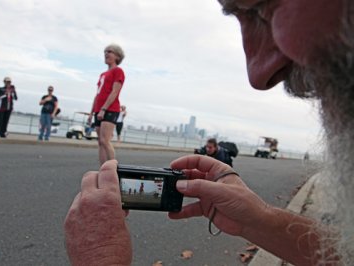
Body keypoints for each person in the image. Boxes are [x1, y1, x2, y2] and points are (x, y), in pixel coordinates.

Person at [65, 1, 354, 265]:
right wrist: (258, 220)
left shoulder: (117, 74)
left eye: (260, 8)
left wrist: (102, 259)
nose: (255, 75)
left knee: (105, 142)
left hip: (108, 111)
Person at [88, 44, 126, 165]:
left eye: (110, 51)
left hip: (110, 109)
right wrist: (91, 113)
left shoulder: (118, 71)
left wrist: (104, 109)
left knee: (105, 140)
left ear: (117, 56)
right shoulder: (102, 75)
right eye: (105, 51)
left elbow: (115, 91)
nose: (106, 54)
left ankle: (113, 168)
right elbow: (97, 94)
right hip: (99, 110)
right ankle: (103, 169)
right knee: (100, 141)